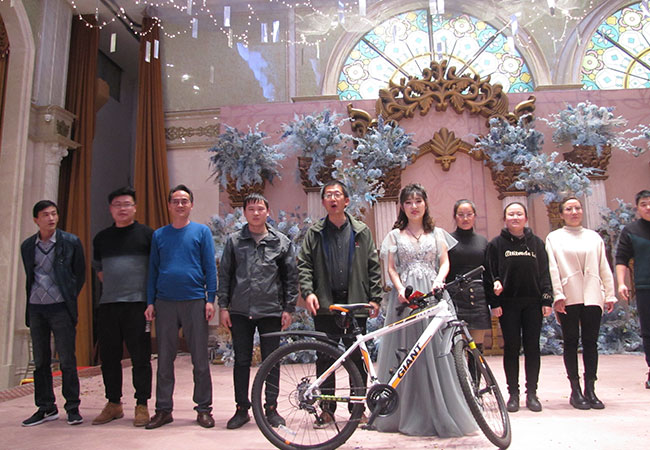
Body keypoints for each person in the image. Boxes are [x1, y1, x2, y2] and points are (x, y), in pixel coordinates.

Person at [374, 184, 476, 436]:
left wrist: (439, 280)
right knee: (407, 352)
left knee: (439, 349)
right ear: (402, 206)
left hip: (433, 294)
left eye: (418, 201)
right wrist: (400, 288)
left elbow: (445, 262)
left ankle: (442, 407)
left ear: (425, 204)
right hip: (407, 297)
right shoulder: (394, 235)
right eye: (408, 202)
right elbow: (391, 268)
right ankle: (404, 410)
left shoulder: (437, 233)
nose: (414, 206)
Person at [297, 180, 382, 427]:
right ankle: (327, 409)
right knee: (325, 357)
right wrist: (308, 292)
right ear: (324, 202)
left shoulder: (361, 231)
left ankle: (358, 408)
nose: (333, 199)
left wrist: (375, 298)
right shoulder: (315, 233)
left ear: (346, 201)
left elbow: (373, 265)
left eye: (337, 194)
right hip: (325, 304)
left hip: (355, 302)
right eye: (328, 195)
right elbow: (304, 265)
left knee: (357, 358)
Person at [218, 194, 298, 430]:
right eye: (251, 209)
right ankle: (241, 409)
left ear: (267, 212)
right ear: (244, 212)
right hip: (240, 311)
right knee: (241, 361)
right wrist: (223, 306)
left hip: (271, 310)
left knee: (271, 361)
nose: (255, 213)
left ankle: (271, 408)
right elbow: (225, 275)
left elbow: (290, 278)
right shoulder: (234, 241)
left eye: (260, 209)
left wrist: (289, 308)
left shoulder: (281, 242)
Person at [144, 185, 217, 429]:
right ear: (169, 205)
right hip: (165, 302)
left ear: (191, 205)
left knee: (200, 359)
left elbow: (210, 267)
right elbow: (153, 270)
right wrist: (150, 301)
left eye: (184, 201)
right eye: (175, 201)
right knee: (165, 359)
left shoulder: (201, 232)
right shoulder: (159, 235)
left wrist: (210, 299)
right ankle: (163, 409)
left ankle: (204, 409)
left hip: (194, 300)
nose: (180, 205)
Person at [545, 196, 616, 410]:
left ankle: (590, 388)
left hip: (592, 294)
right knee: (570, 341)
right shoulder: (554, 238)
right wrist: (557, 295)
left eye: (577, 208)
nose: (574, 212)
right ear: (561, 214)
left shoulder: (593, 237)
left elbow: (604, 266)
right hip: (568, 295)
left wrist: (609, 294)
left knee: (591, 342)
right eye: (569, 209)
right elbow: (552, 268)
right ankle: (575, 390)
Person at [92, 187, 153, 426]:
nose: (122, 209)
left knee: (141, 357)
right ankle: (113, 403)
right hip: (108, 305)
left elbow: (155, 269)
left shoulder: (147, 235)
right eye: (117, 205)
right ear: (110, 209)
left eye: (127, 204)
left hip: (138, 305)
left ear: (135, 207)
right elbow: (99, 270)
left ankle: (142, 404)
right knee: (109, 357)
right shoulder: (101, 238)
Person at [20, 200, 86, 426]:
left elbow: (79, 273)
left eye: (54, 214)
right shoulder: (28, 246)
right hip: (36, 307)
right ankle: (46, 407)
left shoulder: (70, 242)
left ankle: (73, 407)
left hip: (61, 307)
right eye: (45, 215)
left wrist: (68, 295)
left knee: (67, 359)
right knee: (40, 360)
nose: (51, 218)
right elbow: (31, 275)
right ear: (36, 220)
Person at [485, 201, 552, 413]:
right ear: (505, 219)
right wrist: (494, 302)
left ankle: (532, 394)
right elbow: (490, 275)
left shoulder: (537, 244)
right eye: (511, 214)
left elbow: (545, 273)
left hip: (533, 303)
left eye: (519, 214)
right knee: (511, 348)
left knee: (532, 348)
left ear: (526, 218)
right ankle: (513, 394)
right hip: (508, 304)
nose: (515, 217)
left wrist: (547, 299)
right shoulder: (496, 245)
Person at [616, 189, 650, 388]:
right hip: (645, 287)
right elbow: (621, 258)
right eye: (644, 204)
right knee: (648, 331)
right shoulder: (631, 230)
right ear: (637, 208)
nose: (648, 207)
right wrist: (622, 283)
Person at [446, 199, 492, 350]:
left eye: (469, 214)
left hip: (478, 297)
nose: (465, 218)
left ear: (475, 216)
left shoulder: (482, 241)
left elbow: (489, 272)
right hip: (455, 296)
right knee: (457, 348)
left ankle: (475, 368)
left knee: (476, 348)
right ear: (455, 217)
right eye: (461, 215)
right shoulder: (447, 240)